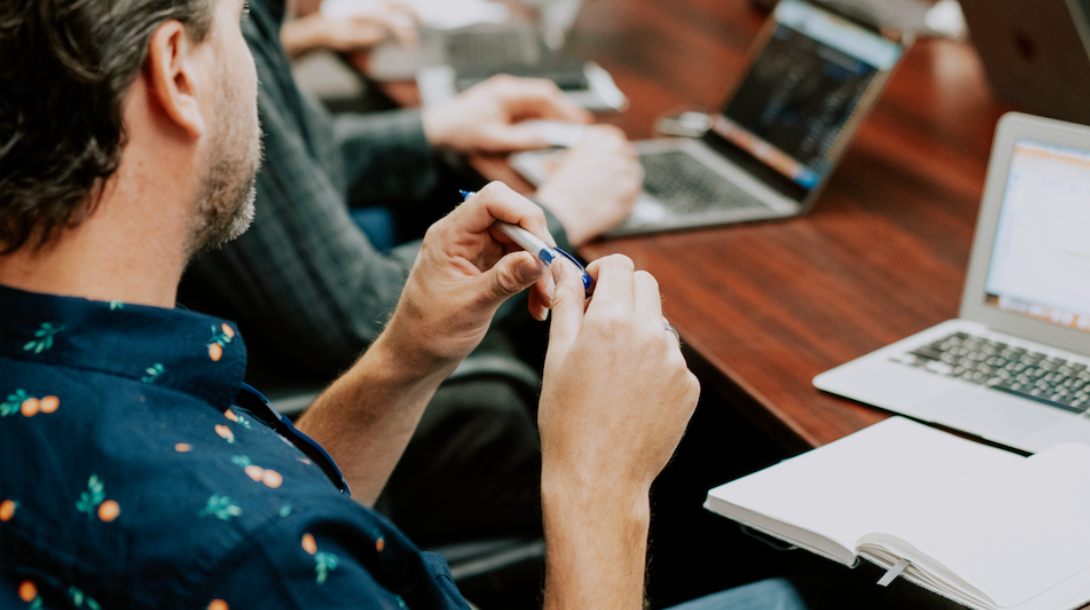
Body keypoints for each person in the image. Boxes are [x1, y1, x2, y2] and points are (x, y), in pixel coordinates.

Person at [0, 0, 816, 608]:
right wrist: (600, 487)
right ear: (177, 72)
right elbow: (261, 526)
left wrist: (402, 359)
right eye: (242, 27)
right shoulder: (265, 559)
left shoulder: (84, 376)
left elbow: (254, 482)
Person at [175, 0, 642, 545]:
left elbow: (280, 163)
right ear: (174, 68)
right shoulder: (203, 24)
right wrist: (555, 218)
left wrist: (432, 131)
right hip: (282, 393)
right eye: (242, 22)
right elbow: (349, 316)